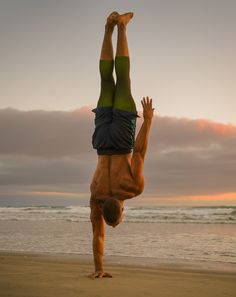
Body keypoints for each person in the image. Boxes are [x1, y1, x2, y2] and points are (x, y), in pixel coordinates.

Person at [89, 11, 154, 279]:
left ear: (122, 209)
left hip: (121, 140)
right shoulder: (96, 195)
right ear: (104, 209)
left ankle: (123, 28)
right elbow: (97, 235)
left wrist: (147, 121)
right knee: (106, 82)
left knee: (123, 80)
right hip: (102, 141)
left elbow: (138, 151)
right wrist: (98, 270)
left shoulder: (133, 188)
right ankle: (107, 29)